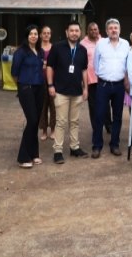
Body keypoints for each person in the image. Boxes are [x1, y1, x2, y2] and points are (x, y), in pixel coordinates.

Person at [46, 21, 89, 163]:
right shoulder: (57, 48)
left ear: (80, 32)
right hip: (60, 91)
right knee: (61, 122)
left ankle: (74, 148)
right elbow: (50, 67)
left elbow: (84, 70)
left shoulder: (82, 50)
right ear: (66, 32)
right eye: (72, 30)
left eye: (77, 31)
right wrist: (50, 85)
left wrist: (85, 88)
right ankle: (58, 151)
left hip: (77, 92)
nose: (74, 33)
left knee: (75, 121)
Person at [92, 18, 130, 158]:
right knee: (99, 115)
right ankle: (97, 146)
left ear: (119, 30)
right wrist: (103, 76)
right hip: (103, 84)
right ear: (107, 30)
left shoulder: (125, 44)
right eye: (111, 28)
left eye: (116, 28)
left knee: (118, 116)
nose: (114, 30)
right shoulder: (101, 44)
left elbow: (127, 65)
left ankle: (115, 144)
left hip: (119, 85)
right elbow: (95, 64)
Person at [11, 25, 45, 168]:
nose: (34, 36)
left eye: (36, 34)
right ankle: (23, 157)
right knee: (31, 119)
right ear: (27, 36)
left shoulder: (40, 51)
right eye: (31, 34)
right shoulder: (21, 52)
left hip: (39, 88)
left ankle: (34, 153)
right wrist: (21, 87)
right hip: (26, 88)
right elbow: (14, 72)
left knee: (35, 121)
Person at [82, 22, 112, 135]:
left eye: (96, 29)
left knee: (106, 105)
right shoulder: (82, 44)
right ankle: (96, 129)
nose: (94, 31)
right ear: (87, 31)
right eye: (91, 29)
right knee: (93, 106)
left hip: (104, 78)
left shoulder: (105, 41)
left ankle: (109, 126)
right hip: (90, 79)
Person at [38, 25, 56, 141]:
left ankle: (53, 130)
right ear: (40, 35)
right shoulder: (37, 48)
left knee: (54, 106)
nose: (46, 35)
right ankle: (44, 130)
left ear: (50, 35)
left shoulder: (54, 48)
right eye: (44, 33)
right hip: (39, 81)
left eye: (48, 33)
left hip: (53, 81)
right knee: (42, 106)